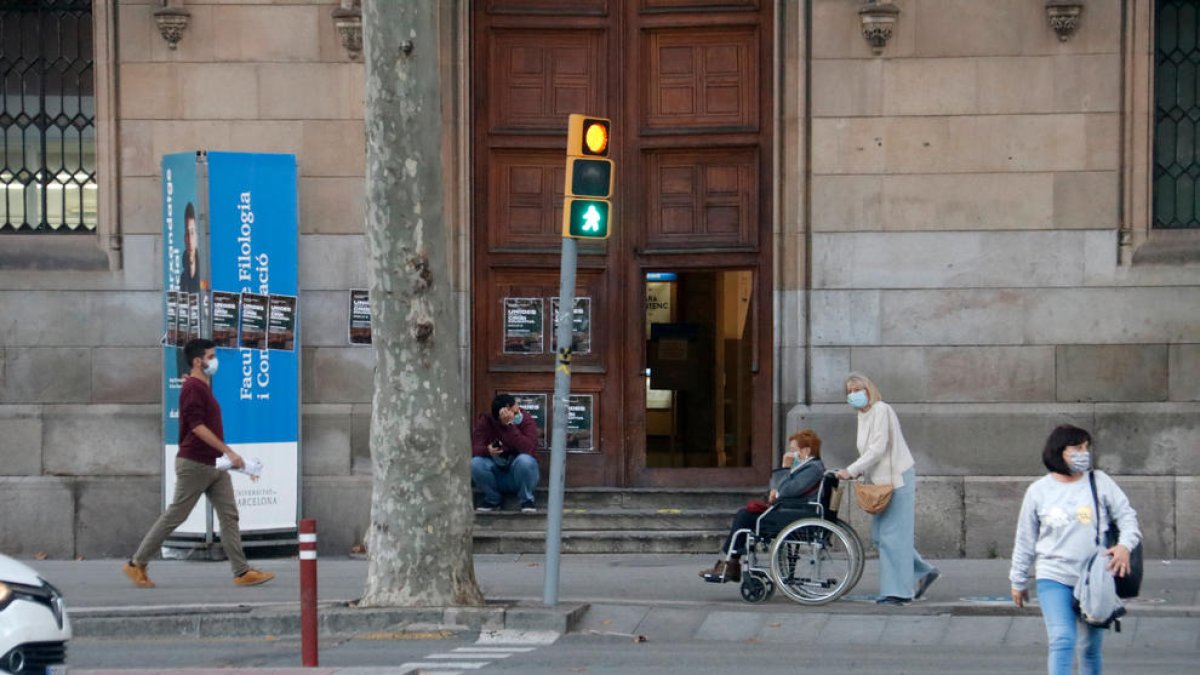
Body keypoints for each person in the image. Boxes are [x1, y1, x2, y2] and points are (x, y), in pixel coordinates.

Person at [122, 338, 275, 589]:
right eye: (211, 356)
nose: (215, 361)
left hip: (213, 465)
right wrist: (229, 452)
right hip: (195, 463)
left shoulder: (200, 385)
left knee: (229, 516)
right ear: (198, 361)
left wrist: (224, 457)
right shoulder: (193, 387)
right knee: (175, 516)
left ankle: (241, 571)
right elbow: (197, 427)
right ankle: (136, 563)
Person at [1009, 425, 1141, 675]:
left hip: (1095, 579)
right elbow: (1025, 538)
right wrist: (1018, 579)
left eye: (1086, 448)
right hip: (1053, 577)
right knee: (1062, 640)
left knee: (1090, 648)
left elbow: (1127, 517)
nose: (1084, 454)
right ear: (1059, 452)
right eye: (1077, 448)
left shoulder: (1099, 482)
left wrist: (1125, 546)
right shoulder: (1038, 491)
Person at [835, 372, 938, 605]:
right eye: (849, 392)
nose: (853, 395)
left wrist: (851, 470)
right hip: (881, 481)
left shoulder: (881, 409)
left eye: (857, 390)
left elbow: (878, 447)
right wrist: (860, 470)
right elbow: (870, 452)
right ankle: (923, 571)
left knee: (892, 537)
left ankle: (899, 592)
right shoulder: (863, 415)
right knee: (881, 537)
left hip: (896, 478)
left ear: (869, 390)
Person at [699, 429, 826, 583]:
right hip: (793, 510)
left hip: (794, 513)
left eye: (793, 450)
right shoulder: (808, 467)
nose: (790, 454)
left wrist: (785, 467)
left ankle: (731, 563)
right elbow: (781, 489)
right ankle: (731, 562)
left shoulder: (812, 469)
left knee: (744, 516)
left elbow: (787, 490)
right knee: (746, 513)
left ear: (805, 450)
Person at [471, 394, 540, 512]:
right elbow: (474, 448)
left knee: (526, 460)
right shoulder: (487, 421)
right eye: (515, 410)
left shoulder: (526, 419)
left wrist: (510, 426)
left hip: (517, 473)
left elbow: (529, 449)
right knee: (475, 463)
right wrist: (487, 450)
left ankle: (526, 499)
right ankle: (493, 499)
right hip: (496, 472)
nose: (518, 411)